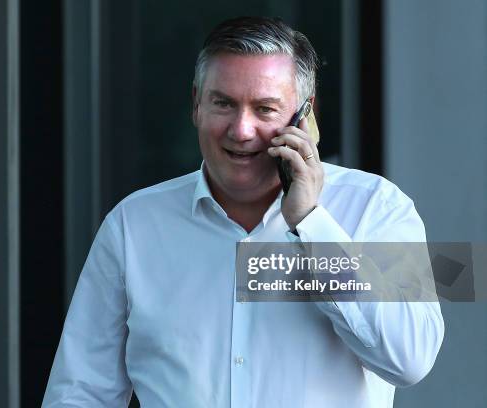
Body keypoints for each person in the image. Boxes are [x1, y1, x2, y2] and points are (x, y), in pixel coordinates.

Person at [42, 16, 444, 407]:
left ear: (306, 117)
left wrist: (311, 224)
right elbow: (80, 392)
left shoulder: (377, 206)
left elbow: (410, 360)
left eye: (265, 109)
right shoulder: (133, 225)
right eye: (224, 104)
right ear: (196, 105)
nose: (241, 130)